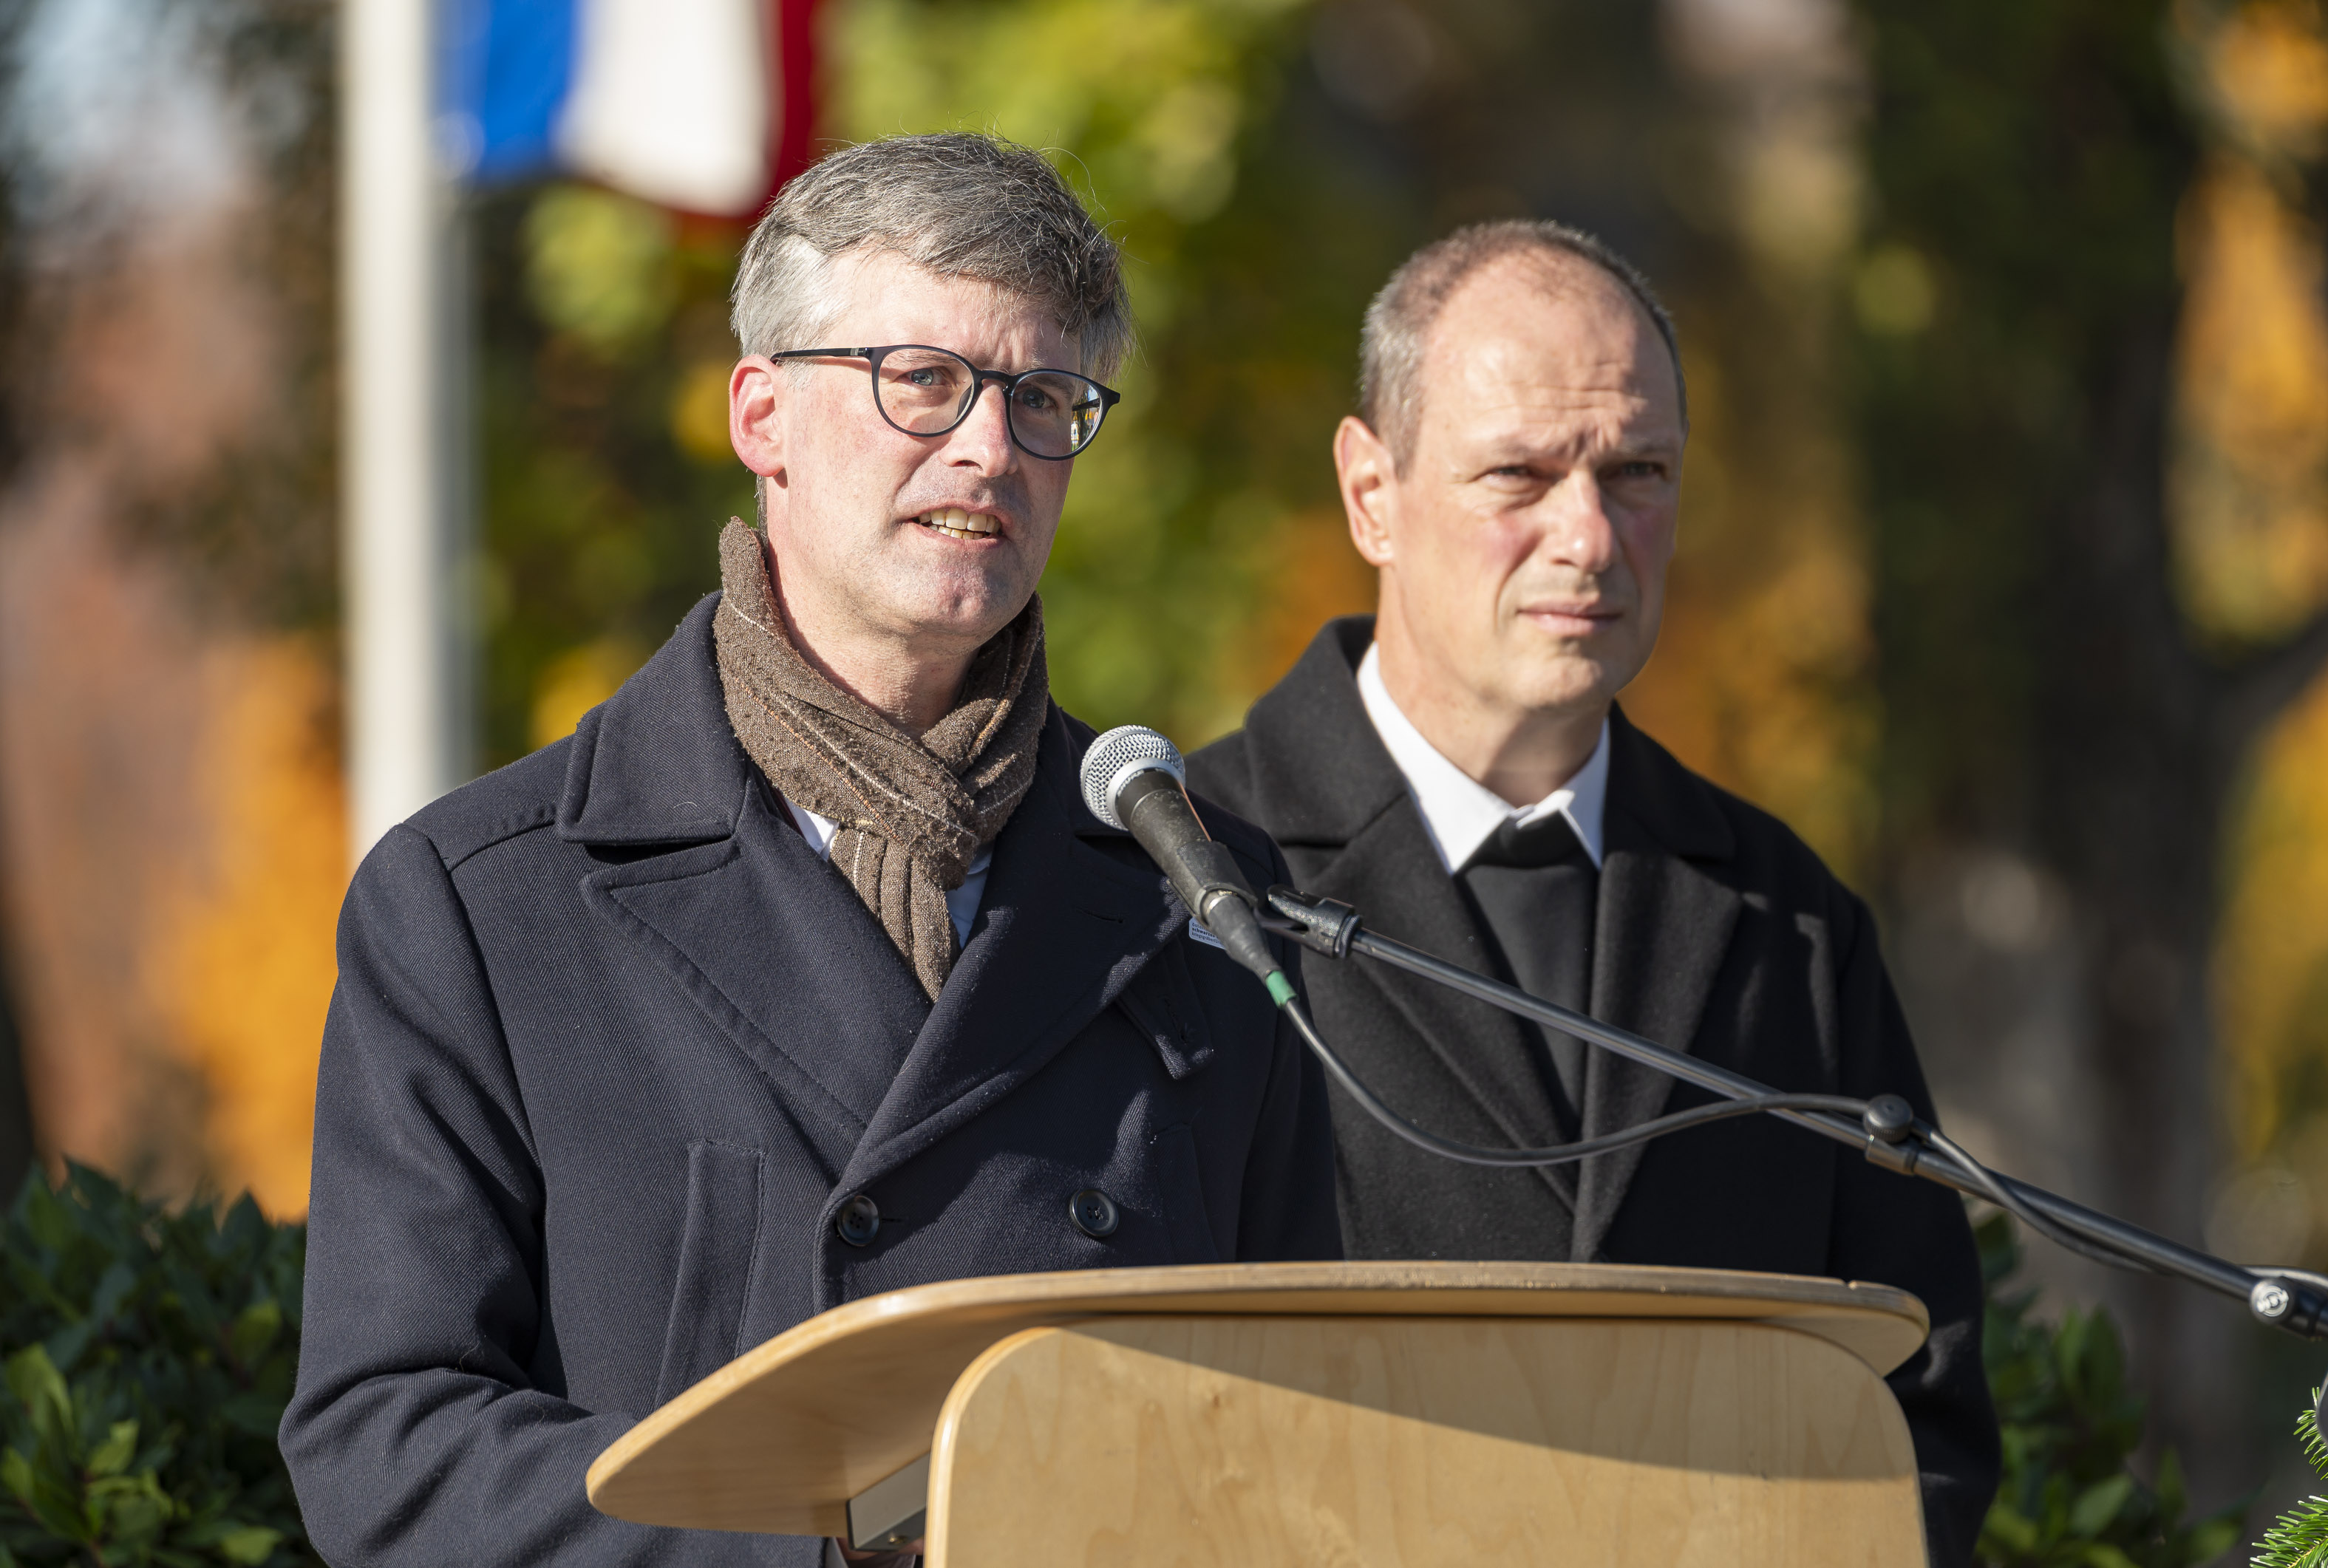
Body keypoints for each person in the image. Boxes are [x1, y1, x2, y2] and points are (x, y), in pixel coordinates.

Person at [280, 133, 1340, 1568]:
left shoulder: (1204, 895)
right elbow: (387, 1450)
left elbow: (1306, 1423)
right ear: (760, 413)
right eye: (921, 379)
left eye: (1042, 398)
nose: (986, 446)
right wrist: (827, 1538)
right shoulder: (480, 905)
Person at [1184, 219, 1999, 1566]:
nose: (1589, 534)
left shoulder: (1785, 921)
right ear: (1369, 491)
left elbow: (1917, 1410)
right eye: (1519, 472)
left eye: (1637, 472)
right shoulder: (1187, 880)